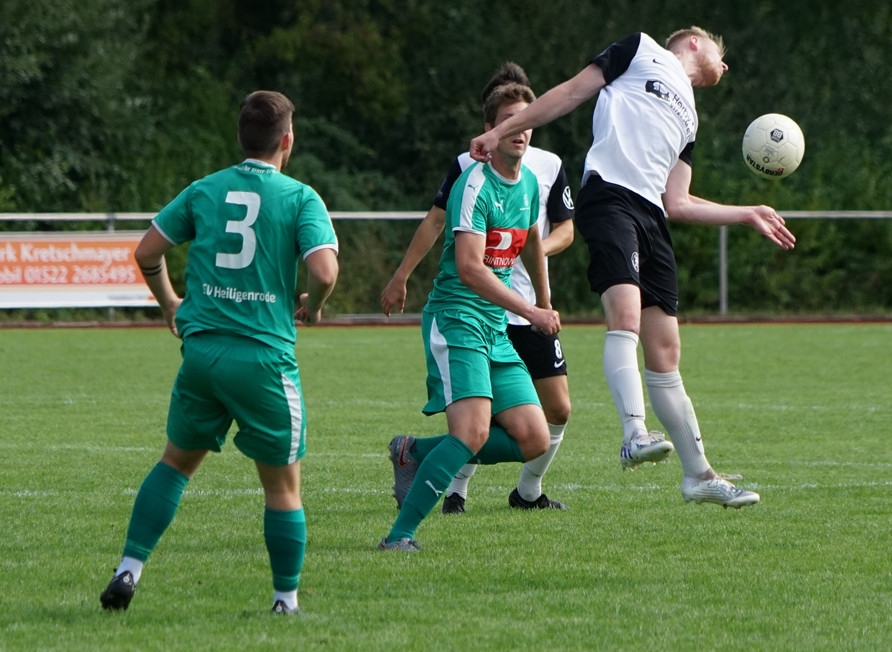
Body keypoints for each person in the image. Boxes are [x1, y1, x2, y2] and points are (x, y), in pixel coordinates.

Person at [471, 28, 796, 508]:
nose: (724, 65)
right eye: (720, 51)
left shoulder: (690, 117)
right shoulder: (640, 49)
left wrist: (746, 213)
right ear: (692, 41)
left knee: (666, 351)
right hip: (610, 196)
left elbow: (678, 202)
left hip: (652, 216)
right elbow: (570, 92)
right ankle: (634, 434)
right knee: (624, 315)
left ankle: (699, 476)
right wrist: (498, 132)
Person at [99, 91, 340, 614]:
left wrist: (170, 303)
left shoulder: (204, 189)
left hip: (202, 355)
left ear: (241, 137)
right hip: (262, 358)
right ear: (288, 139)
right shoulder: (301, 198)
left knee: (175, 464)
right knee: (282, 487)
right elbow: (323, 271)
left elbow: (146, 252)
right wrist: (315, 306)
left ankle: (128, 569)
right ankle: (285, 600)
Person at [380, 62, 575, 514]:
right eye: (506, 119)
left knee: (551, 414)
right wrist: (401, 274)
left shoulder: (544, 169)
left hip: (524, 309)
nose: (518, 127)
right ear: (488, 126)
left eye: (525, 117)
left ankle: (527, 491)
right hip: (473, 309)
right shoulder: (470, 169)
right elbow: (438, 223)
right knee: (474, 421)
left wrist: (541, 298)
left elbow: (556, 230)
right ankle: (450, 494)